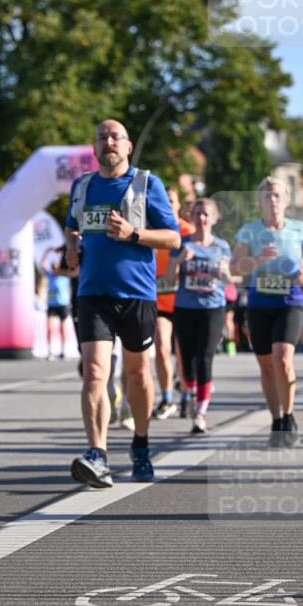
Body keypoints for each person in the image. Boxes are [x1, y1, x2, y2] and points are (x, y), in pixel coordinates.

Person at [64, 118, 180, 486]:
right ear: (95, 147)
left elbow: (173, 238)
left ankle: (141, 444)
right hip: (92, 292)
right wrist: (70, 245)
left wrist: (134, 233)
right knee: (96, 371)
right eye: (101, 136)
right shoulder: (82, 186)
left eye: (115, 136)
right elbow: (73, 225)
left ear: (128, 146)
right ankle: (97, 453)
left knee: (136, 374)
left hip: (137, 293)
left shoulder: (147, 184)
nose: (108, 141)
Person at [231, 177, 303, 445]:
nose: (273, 201)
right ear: (260, 201)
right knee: (267, 368)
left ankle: (289, 415)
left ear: (286, 200)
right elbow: (235, 267)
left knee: (283, 358)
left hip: (290, 300)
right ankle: (276, 420)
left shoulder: (299, 228)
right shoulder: (249, 231)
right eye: (267, 196)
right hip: (259, 303)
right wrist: (256, 260)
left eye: (277, 196)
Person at [166, 198, 232, 434]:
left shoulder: (222, 247)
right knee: (187, 362)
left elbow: (228, 282)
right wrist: (180, 260)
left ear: (214, 218)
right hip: (185, 307)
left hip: (213, 308)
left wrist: (224, 272)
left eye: (206, 214)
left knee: (205, 358)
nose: (202, 219)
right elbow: (169, 278)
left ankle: (200, 413)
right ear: (191, 217)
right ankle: (193, 393)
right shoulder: (181, 243)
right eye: (197, 214)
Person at [152, 187, 182, 419]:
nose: (168, 204)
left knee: (184, 354)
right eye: (165, 200)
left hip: (185, 302)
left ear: (179, 205)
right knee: (162, 346)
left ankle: (188, 389)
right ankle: (167, 398)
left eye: (171, 200)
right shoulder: (151, 232)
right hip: (160, 302)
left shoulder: (189, 231)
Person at [41, 246, 72, 360]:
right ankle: (49, 351)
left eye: (55, 265)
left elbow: (70, 267)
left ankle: (63, 351)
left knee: (62, 328)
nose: (53, 266)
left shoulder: (64, 275)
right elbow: (42, 264)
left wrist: (61, 254)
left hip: (63, 304)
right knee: (49, 328)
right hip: (51, 304)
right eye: (52, 265)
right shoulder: (50, 275)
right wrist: (46, 252)